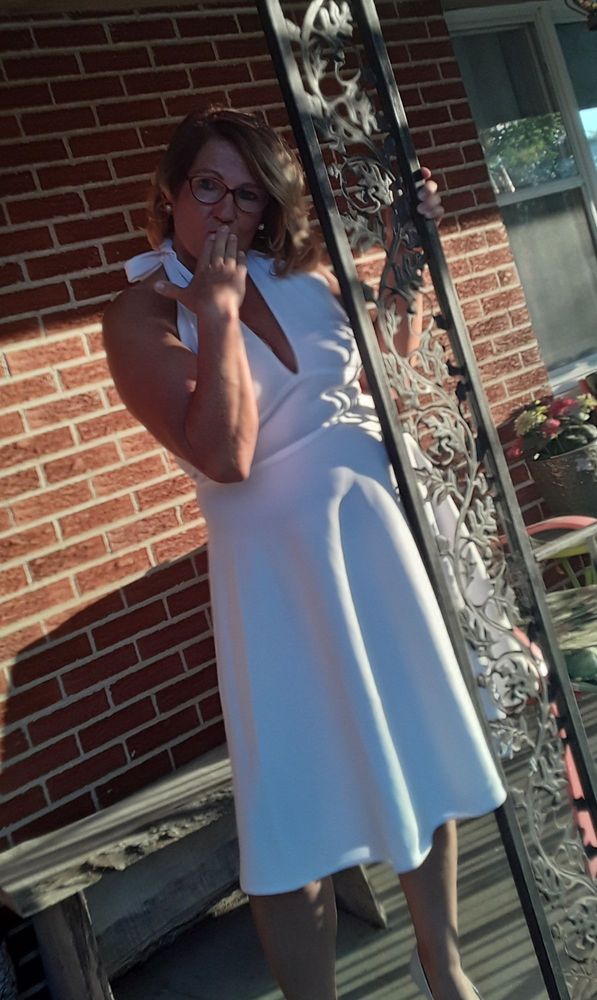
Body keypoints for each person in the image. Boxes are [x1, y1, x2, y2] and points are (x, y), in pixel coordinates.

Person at [103, 106, 506, 1000]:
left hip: (373, 537)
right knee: (293, 803)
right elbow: (224, 454)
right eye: (208, 186)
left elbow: (389, 351)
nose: (225, 210)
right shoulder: (142, 312)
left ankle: (443, 967)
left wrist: (405, 248)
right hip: (275, 573)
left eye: (247, 195)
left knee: (414, 744)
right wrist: (215, 314)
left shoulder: (302, 274)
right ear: (170, 192)